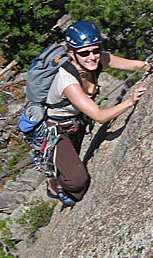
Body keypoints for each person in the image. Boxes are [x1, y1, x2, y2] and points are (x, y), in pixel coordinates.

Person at [45, 21, 147, 206]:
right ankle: (54, 185)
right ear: (72, 54)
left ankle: (58, 173)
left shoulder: (99, 59)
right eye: (84, 53)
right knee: (77, 182)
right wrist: (130, 102)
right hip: (56, 129)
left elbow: (135, 66)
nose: (92, 57)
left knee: (72, 164)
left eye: (95, 50)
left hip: (77, 122)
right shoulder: (67, 81)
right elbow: (99, 116)